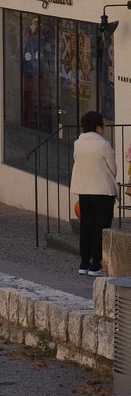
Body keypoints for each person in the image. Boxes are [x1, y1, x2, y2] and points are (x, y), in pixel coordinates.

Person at [70, 109, 118, 276]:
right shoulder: (103, 144)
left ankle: (84, 262)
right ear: (98, 128)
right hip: (103, 190)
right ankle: (95, 264)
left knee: (86, 225)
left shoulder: (78, 143)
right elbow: (113, 168)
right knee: (101, 226)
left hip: (84, 189)